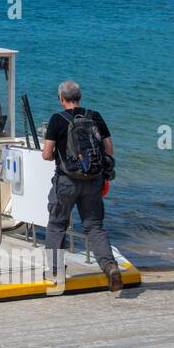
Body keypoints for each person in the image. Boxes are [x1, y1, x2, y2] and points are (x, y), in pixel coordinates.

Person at [41, 80, 121, 292]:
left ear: (61, 98)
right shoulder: (94, 116)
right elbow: (109, 149)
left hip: (66, 183)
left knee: (57, 224)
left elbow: (47, 154)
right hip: (93, 181)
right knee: (94, 226)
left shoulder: (57, 119)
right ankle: (110, 266)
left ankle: (55, 271)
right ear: (80, 96)